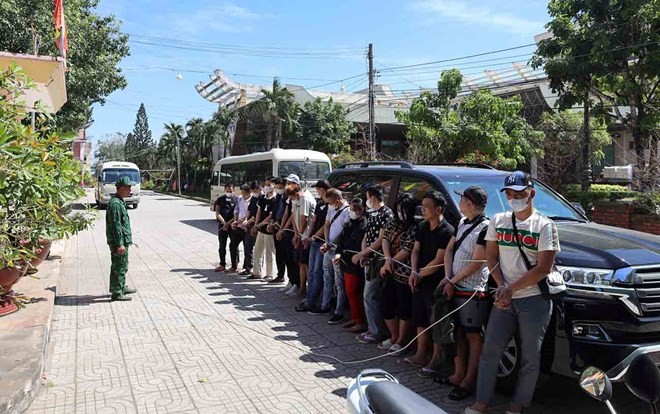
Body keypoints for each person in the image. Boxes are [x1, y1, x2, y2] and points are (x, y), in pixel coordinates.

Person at [466, 171, 559, 414]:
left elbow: (543, 268)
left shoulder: (545, 226)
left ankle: (517, 406)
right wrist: (500, 285)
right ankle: (482, 402)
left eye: (520, 193)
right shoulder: (498, 221)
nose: (515, 198)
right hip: (504, 298)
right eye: (510, 194)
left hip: (534, 300)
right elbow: (491, 256)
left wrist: (510, 289)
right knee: (490, 352)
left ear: (532, 193)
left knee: (530, 356)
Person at [435, 186, 490, 401]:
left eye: (462, 199)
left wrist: (454, 280)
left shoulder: (485, 228)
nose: (459, 203)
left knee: (473, 335)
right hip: (454, 285)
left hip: (472, 290)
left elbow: (478, 262)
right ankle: (457, 374)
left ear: (469, 203)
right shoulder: (461, 222)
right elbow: (450, 249)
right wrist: (448, 276)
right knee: (456, 332)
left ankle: (470, 379)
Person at [406, 191, 454, 376]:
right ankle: (420, 353)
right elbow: (415, 250)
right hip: (419, 279)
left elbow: (439, 260)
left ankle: (436, 359)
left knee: (436, 321)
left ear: (438, 209)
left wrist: (419, 273)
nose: (423, 209)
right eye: (422, 206)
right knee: (420, 318)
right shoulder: (422, 226)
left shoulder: (447, 230)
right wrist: (413, 271)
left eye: (427, 206)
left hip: (436, 282)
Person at [351, 185, 394, 344]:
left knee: (370, 295)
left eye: (367, 197)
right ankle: (372, 328)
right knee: (368, 295)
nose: (366, 201)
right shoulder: (371, 213)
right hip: (369, 259)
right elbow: (367, 235)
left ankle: (378, 331)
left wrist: (363, 253)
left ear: (373, 198)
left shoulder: (386, 214)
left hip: (379, 260)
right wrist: (364, 253)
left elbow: (382, 239)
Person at [378, 193, 418, 354]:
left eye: (404, 210)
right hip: (389, 271)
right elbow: (385, 238)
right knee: (385, 305)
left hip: (405, 274)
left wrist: (391, 261)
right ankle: (394, 336)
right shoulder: (393, 221)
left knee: (404, 309)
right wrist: (388, 259)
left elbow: (408, 249)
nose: (401, 213)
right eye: (399, 209)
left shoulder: (415, 226)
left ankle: (401, 340)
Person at [297, 180, 331, 312]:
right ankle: (309, 298)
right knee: (311, 271)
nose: (317, 191)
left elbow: (325, 225)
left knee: (317, 272)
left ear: (323, 189)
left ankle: (313, 301)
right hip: (314, 240)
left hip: (322, 240)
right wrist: (307, 237)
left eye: (318, 189)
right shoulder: (320, 202)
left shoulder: (330, 204)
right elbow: (314, 220)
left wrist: (314, 237)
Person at [334, 198, 368, 333]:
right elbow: (341, 241)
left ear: (360, 211)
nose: (351, 212)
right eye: (351, 209)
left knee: (354, 291)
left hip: (355, 263)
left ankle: (360, 321)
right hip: (345, 261)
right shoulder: (349, 224)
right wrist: (338, 253)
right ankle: (354, 317)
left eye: (354, 210)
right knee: (349, 292)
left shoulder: (364, 225)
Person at [105, 176, 137, 302]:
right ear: (122, 189)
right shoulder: (115, 204)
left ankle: (121, 286)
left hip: (123, 240)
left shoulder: (119, 201)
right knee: (119, 266)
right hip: (119, 242)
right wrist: (120, 244)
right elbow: (116, 225)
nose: (130, 190)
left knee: (123, 265)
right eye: (129, 188)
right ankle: (117, 292)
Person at [322, 189, 351, 325]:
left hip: (337, 250)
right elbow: (327, 224)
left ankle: (339, 311)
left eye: (331, 202)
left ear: (337, 200)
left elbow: (345, 231)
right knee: (327, 277)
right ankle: (325, 304)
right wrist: (327, 241)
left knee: (339, 283)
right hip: (328, 248)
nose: (329, 205)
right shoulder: (330, 208)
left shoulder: (347, 211)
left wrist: (332, 244)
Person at [286, 174, 316, 299]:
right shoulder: (295, 198)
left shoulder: (304, 198)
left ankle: (306, 290)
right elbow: (293, 216)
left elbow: (304, 219)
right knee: (300, 264)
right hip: (299, 234)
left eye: (290, 183)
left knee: (306, 264)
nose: (288, 185)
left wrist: (299, 235)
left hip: (306, 236)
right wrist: (295, 233)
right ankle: (301, 288)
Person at [249, 178, 276, 280]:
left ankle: (269, 274)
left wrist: (259, 225)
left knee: (269, 253)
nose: (267, 186)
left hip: (268, 231)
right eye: (266, 184)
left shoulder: (275, 200)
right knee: (257, 251)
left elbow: (271, 215)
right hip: (260, 230)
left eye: (269, 185)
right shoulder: (262, 198)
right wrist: (256, 225)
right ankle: (256, 272)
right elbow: (259, 212)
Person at [266, 177, 287, 284]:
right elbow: (275, 212)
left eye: (279, 186)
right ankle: (280, 275)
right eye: (276, 186)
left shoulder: (287, 197)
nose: (277, 188)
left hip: (284, 229)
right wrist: (272, 222)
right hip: (276, 227)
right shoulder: (278, 196)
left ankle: (291, 280)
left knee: (286, 254)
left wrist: (279, 225)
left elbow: (286, 214)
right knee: (278, 253)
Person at [214, 183, 238, 272]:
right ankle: (222, 264)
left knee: (234, 245)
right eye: (227, 191)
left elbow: (237, 213)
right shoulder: (220, 200)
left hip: (232, 225)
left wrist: (229, 223)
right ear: (224, 190)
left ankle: (234, 265)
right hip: (222, 225)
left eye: (231, 191)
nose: (229, 192)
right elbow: (217, 212)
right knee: (222, 245)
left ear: (234, 190)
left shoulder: (237, 200)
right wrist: (224, 222)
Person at [230, 184, 252, 274]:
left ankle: (246, 267)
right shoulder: (239, 199)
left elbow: (250, 214)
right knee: (233, 245)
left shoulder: (253, 200)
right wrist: (235, 221)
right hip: (238, 226)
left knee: (247, 248)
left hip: (247, 226)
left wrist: (243, 222)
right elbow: (236, 211)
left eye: (243, 191)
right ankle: (234, 265)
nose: (242, 193)